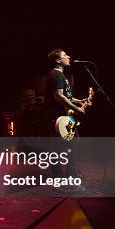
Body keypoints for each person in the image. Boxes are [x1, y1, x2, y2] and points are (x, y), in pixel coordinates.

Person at [45, 48, 86, 178]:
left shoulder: (61, 75)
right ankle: (62, 174)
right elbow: (59, 96)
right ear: (58, 60)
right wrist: (77, 108)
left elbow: (66, 96)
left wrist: (79, 101)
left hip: (63, 115)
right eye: (65, 55)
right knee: (61, 145)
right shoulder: (55, 74)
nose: (68, 57)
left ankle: (69, 171)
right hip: (57, 116)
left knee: (72, 142)